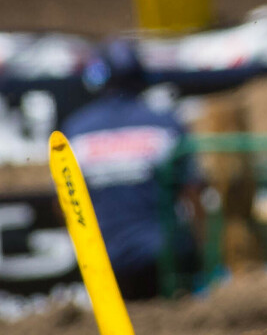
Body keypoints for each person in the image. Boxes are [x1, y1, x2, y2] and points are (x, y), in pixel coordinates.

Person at [59, 41, 197, 300]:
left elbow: (62, 202)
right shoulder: (165, 123)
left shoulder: (75, 129)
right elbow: (192, 191)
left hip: (101, 258)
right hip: (163, 258)